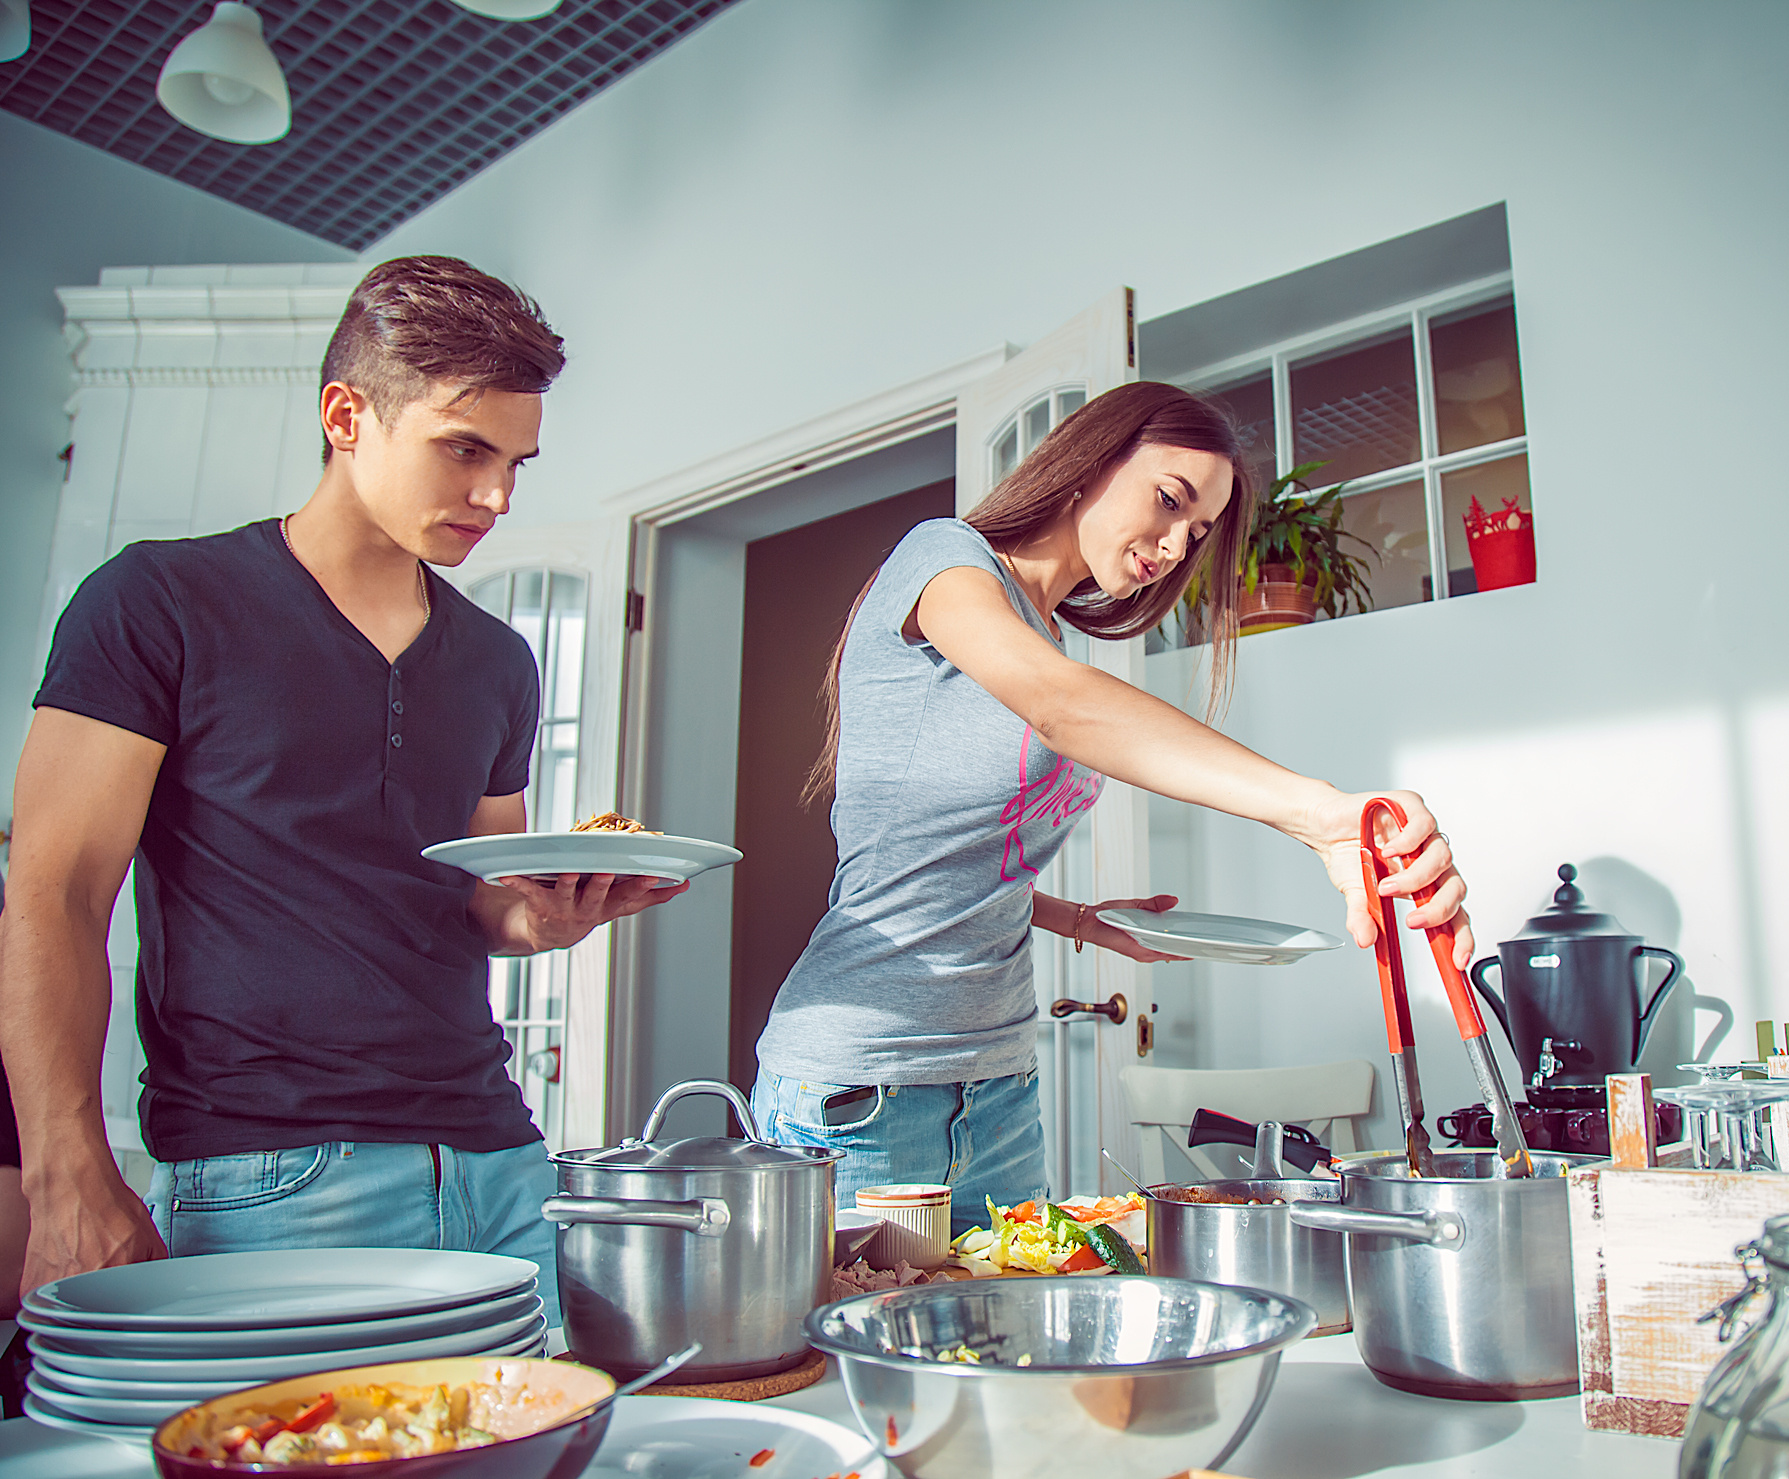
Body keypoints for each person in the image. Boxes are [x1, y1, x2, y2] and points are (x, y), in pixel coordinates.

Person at [0, 256, 683, 1317]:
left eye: (516, 461)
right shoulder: (158, 601)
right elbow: (55, 894)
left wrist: (545, 918)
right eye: (464, 449)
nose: (496, 495)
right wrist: (62, 1169)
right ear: (346, 414)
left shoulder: (501, 662)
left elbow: (478, 893)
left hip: (501, 1163)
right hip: (269, 1178)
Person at [752, 381, 1471, 1231]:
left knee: (1004, 1348)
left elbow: (949, 860)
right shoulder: (945, 561)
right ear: (1092, 459)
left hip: (1001, 1085)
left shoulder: (1049, 634)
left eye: (1197, 532)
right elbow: (1062, 704)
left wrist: (1085, 920)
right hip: (862, 1086)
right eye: (1169, 500)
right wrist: (1317, 813)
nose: (1173, 545)